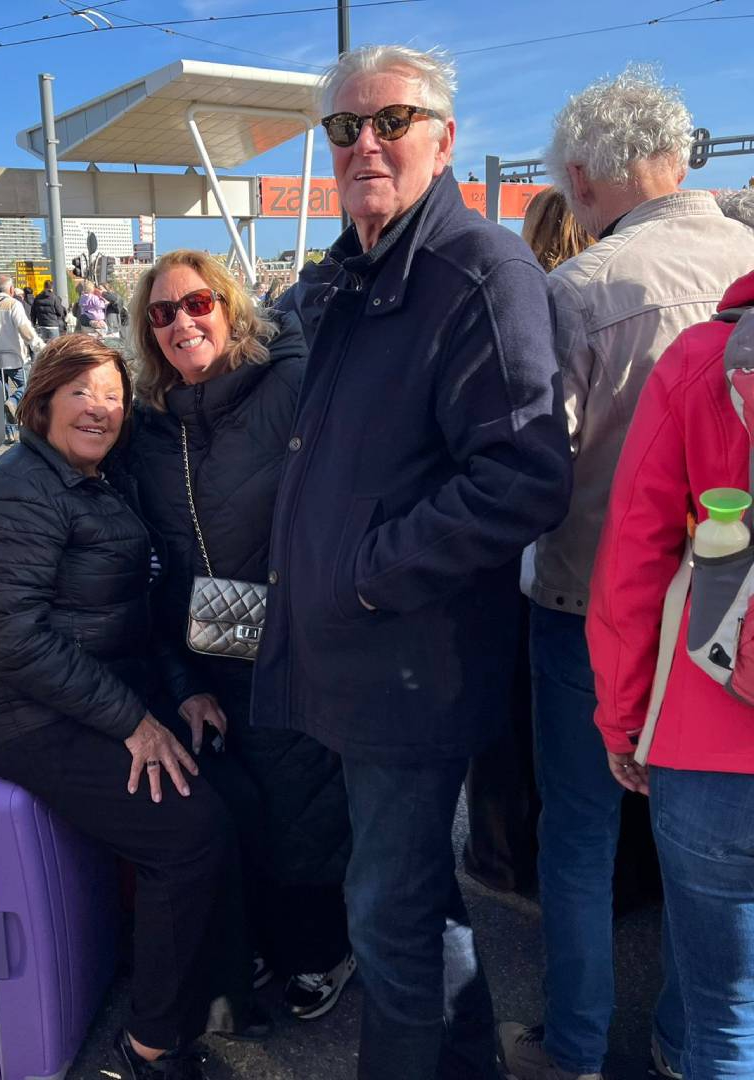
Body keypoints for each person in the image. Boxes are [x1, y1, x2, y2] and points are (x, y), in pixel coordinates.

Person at [255, 45, 571, 1080]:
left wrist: (365, 570)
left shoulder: (476, 270)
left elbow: (524, 477)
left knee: (386, 923)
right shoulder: (353, 269)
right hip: (349, 663)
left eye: (390, 121)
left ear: (444, 137)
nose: (365, 145)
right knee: (417, 903)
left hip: (404, 668)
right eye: (345, 129)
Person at [502, 67, 754, 1080]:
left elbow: (535, 468)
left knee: (579, 836)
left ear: (579, 176)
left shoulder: (578, 289)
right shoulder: (746, 260)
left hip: (587, 600)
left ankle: (574, 1048)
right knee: (712, 882)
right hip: (722, 622)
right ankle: (688, 1041)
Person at [0, 334, 244, 1079]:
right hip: (26, 712)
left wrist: (184, 693)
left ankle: (197, 987)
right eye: (82, 391)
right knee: (188, 829)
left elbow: (139, 612)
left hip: (97, 693)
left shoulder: (97, 482)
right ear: (43, 399)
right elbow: (11, 638)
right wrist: (134, 723)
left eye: (113, 396)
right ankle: (149, 1050)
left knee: (235, 782)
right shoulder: (13, 485)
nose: (101, 408)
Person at [124, 249, 356, 1023]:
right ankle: (269, 937)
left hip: (296, 636)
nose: (183, 322)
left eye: (198, 304)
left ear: (230, 308)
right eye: (162, 313)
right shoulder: (152, 424)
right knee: (243, 798)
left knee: (306, 798)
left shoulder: (289, 383)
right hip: (207, 641)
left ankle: (325, 947)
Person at [588, 266, 754, 1080]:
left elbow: (635, 555)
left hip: (709, 733)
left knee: (727, 1014)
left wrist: (622, 719)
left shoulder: (702, 358)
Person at [461, 185, 591, 904]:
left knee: (510, 716)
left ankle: (501, 857)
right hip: (610, 549)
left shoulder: (532, 303)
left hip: (526, 556)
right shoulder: (608, 288)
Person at [0, 274, 40, 438]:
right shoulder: (13, 304)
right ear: (11, 289)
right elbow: (25, 329)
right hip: (13, 357)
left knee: (1, 393)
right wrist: (39, 346)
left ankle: (9, 433)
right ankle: (14, 401)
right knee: (29, 386)